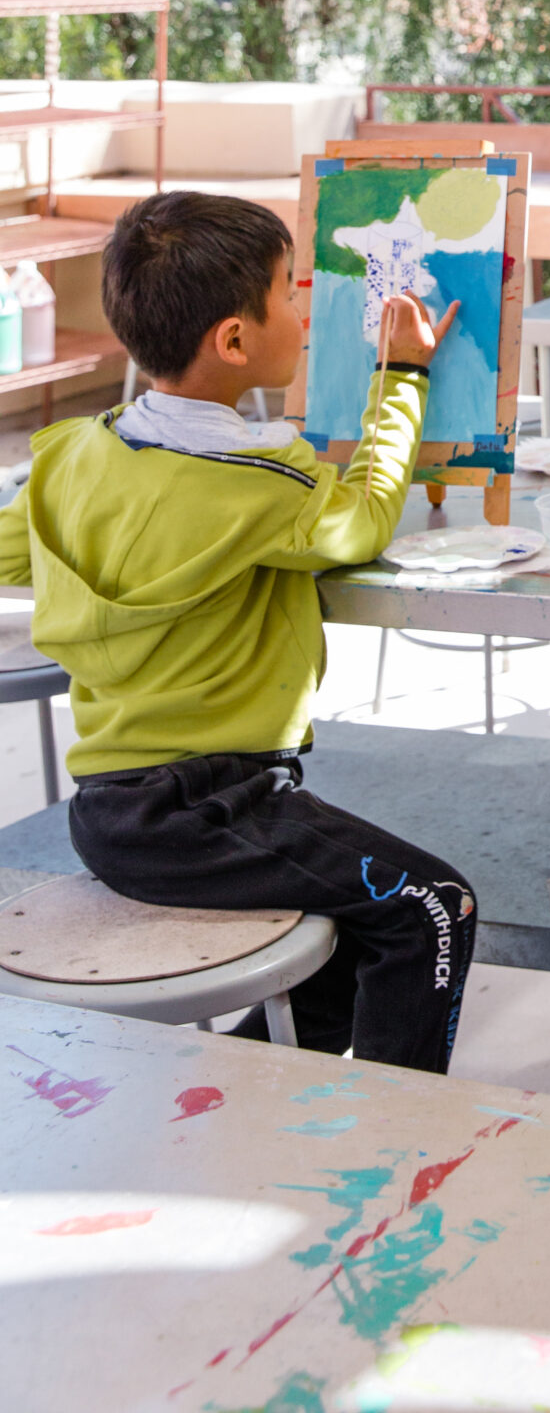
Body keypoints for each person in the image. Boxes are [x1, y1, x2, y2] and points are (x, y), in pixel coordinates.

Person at [0, 190, 476, 1071]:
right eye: (289, 294)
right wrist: (401, 376)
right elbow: (365, 518)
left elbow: (12, 557)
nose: (305, 310)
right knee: (435, 905)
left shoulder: (68, 454)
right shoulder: (263, 483)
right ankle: (402, 1135)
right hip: (211, 806)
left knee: (347, 938)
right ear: (233, 341)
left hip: (109, 809)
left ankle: (254, 1091)